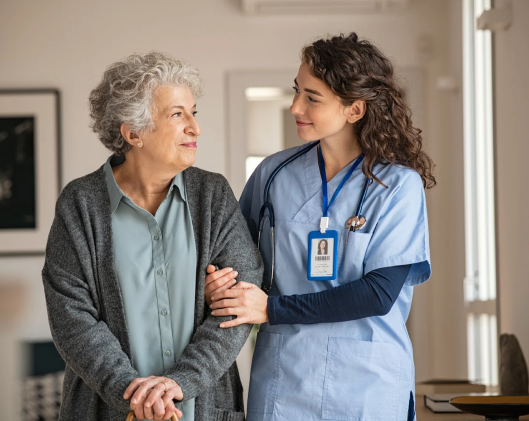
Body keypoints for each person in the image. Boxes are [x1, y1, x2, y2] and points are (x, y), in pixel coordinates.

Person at [205, 33, 434, 421]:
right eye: (297, 91)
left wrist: (271, 309)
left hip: (367, 382)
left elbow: (378, 294)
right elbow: (235, 258)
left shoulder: (397, 186)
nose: (295, 106)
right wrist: (220, 282)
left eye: (312, 98)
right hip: (285, 378)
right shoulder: (272, 174)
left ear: (354, 109)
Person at [42, 52, 263, 421]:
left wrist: (180, 383)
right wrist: (134, 395)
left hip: (204, 408)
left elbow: (240, 301)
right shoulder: (79, 204)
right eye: (178, 114)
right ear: (133, 133)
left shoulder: (213, 195)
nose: (195, 128)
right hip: (108, 409)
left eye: (194, 112)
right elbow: (72, 318)